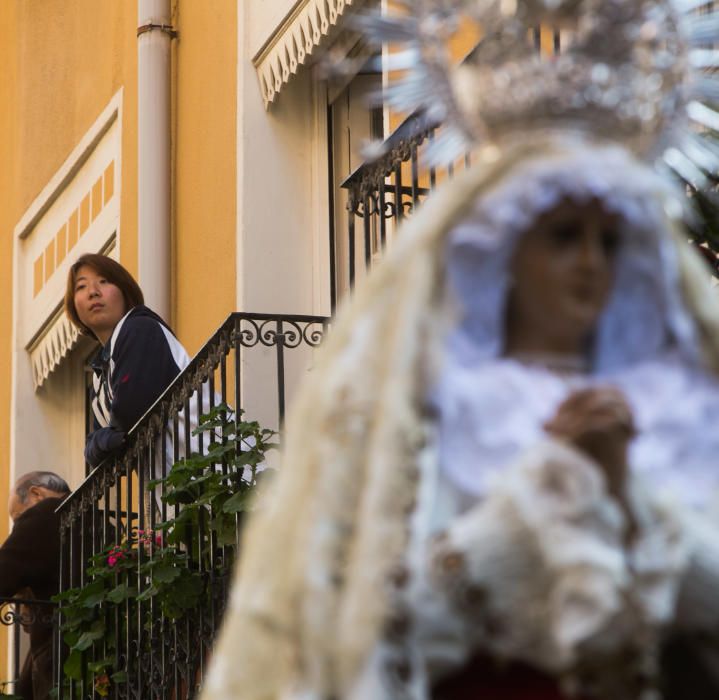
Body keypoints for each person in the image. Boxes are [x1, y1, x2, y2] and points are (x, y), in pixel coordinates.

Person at [200, 2, 719, 699]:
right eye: (563, 237)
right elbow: (369, 632)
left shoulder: (682, 405)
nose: (591, 263)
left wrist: (630, 503)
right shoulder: (426, 412)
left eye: (609, 240)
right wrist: (543, 487)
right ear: (504, 251)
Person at [64, 254, 191, 468]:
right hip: (181, 493)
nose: (93, 291)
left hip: (222, 473)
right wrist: (100, 442)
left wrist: (99, 441)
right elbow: (100, 458)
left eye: (104, 281)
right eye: (81, 287)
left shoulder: (140, 328)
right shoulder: (99, 378)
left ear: (125, 291)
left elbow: (130, 412)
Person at [1, 472, 71, 700]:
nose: (19, 528)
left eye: (19, 517)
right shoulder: (97, 517)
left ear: (36, 494)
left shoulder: (46, 513)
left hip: (59, 657)